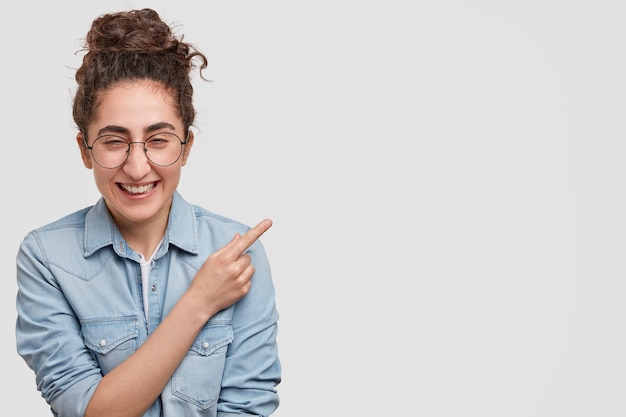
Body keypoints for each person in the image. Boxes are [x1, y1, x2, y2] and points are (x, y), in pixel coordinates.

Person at [15, 8, 281, 417]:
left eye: (158, 140)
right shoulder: (46, 258)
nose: (137, 167)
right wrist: (199, 302)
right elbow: (88, 411)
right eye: (113, 141)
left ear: (186, 146)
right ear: (85, 151)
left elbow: (249, 406)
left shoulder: (237, 254)